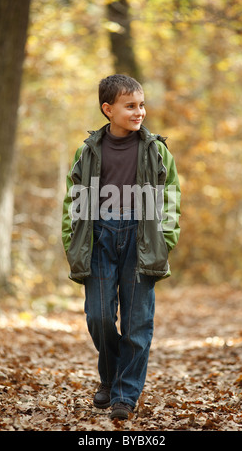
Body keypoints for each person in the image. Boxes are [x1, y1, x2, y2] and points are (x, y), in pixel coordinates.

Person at [62, 74, 181, 420]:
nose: (139, 112)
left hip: (141, 237)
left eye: (142, 105)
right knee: (98, 316)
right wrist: (73, 241)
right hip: (99, 235)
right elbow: (74, 199)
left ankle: (124, 395)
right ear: (107, 110)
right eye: (130, 106)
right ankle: (111, 376)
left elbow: (171, 196)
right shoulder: (87, 151)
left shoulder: (156, 150)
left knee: (137, 322)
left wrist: (166, 237)